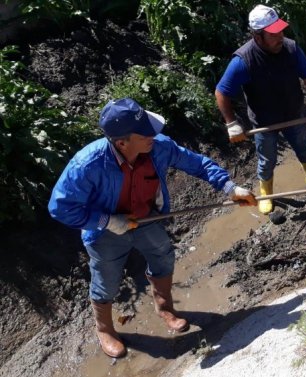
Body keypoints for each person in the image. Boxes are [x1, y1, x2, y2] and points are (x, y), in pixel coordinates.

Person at [48, 98, 257, 358]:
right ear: (122, 142)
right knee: (107, 281)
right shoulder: (87, 165)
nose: (154, 135)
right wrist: (108, 221)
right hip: (104, 232)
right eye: (146, 132)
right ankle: (104, 329)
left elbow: (198, 164)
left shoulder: (159, 147)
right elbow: (60, 207)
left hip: (147, 219)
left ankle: (165, 307)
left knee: (163, 256)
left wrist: (229, 188)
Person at [215, 4, 306, 215]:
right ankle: (266, 194)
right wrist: (231, 123)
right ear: (258, 37)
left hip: (293, 113)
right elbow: (221, 92)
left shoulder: (291, 48)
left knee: (303, 146)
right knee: (267, 159)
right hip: (265, 122)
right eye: (273, 34)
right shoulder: (243, 61)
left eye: (281, 30)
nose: (280, 36)